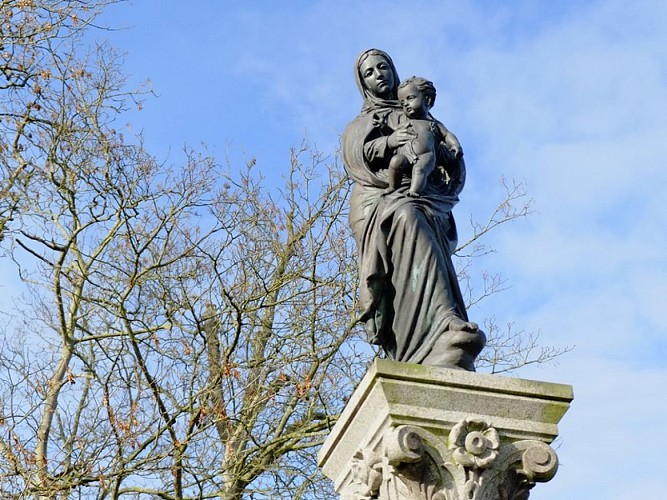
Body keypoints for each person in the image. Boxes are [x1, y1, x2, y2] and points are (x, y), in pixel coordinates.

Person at [342, 49, 485, 371]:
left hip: (422, 198)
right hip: (376, 201)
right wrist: (391, 143)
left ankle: (441, 327)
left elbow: (441, 152)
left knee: (421, 236)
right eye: (369, 72)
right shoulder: (360, 124)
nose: (378, 74)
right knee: (407, 217)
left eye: (383, 67)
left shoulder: (418, 113)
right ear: (362, 83)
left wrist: (448, 157)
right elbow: (357, 157)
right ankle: (442, 322)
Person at [385, 76, 463, 197]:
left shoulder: (433, 123)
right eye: (402, 102)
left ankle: (414, 191)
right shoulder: (403, 122)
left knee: (419, 169)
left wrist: (455, 145)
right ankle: (393, 186)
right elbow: (391, 131)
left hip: (426, 155)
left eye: (410, 98)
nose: (406, 104)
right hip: (406, 154)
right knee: (395, 162)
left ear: (427, 99)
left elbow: (447, 135)